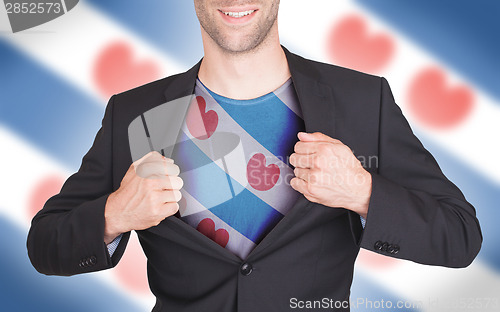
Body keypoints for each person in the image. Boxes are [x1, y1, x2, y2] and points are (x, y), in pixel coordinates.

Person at [27, 1, 482, 311]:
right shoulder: (135, 113)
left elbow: (460, 236)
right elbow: (45, 245)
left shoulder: (363, 100)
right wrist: (114, 214)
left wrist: (363, 191)